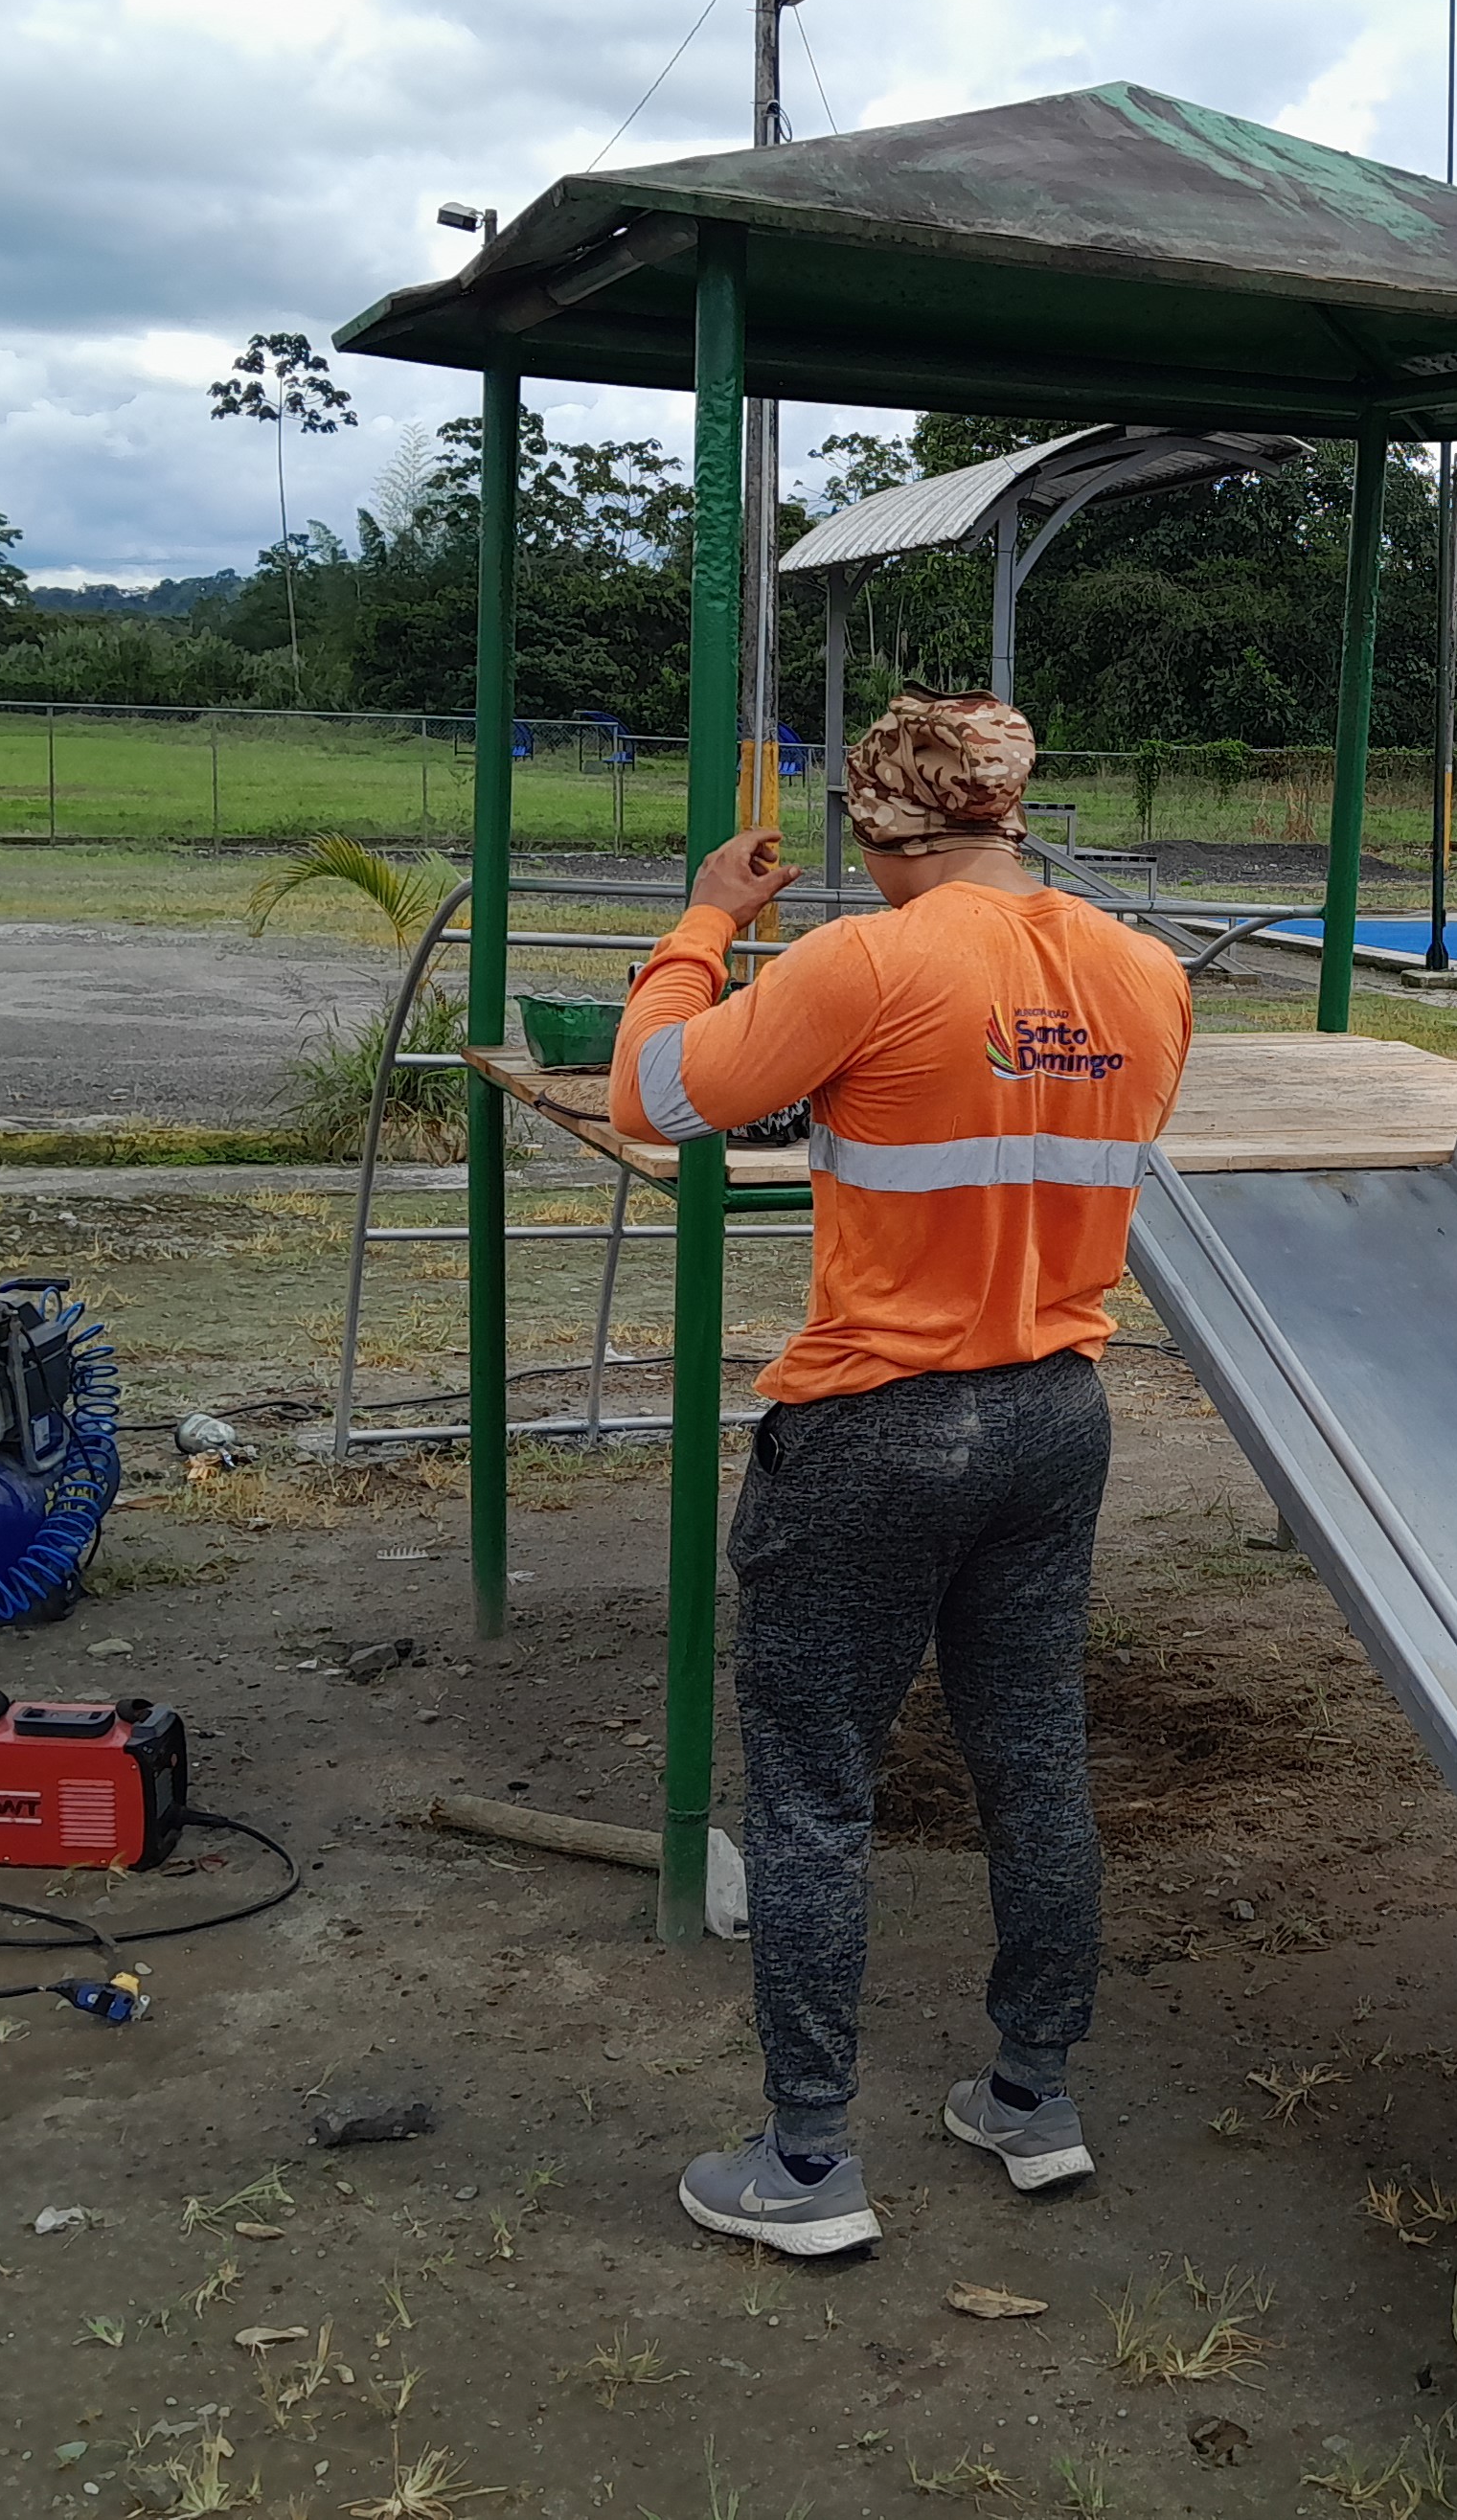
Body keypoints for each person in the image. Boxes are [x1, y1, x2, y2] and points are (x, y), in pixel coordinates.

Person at [612, 689, 1192, 2256]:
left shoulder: (864, 959)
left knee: (815, 1793)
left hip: (878, 1424)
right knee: (1034, 1759)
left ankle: (807, 2165)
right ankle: (1031, 2097)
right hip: (1054, 1414)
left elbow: (652, 1097)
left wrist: (705, 926)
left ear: (880, 827)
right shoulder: (1146, 974)